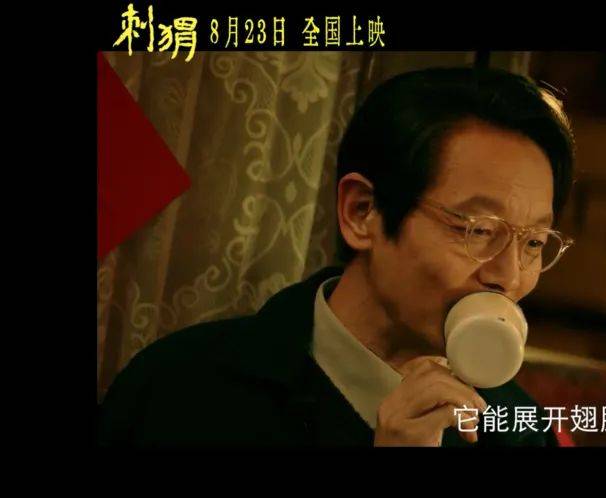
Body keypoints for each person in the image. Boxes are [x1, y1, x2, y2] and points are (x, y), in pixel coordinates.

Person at [97, 66, 576, 447]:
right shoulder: (182, 388)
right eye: (479, 230)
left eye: (534, 243)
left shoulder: (519, 429)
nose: (508, 276)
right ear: (362, 212)